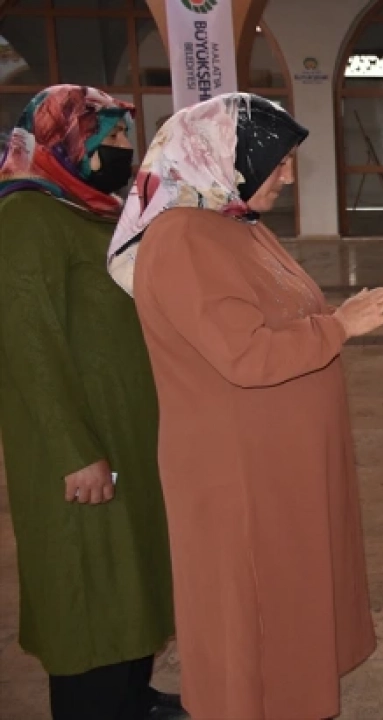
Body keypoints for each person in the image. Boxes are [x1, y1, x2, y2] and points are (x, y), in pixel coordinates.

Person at [106, 93, 383, 719]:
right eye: (280, 161)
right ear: (226, 159)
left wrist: (333, 317)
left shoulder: (233, 221)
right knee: (255, 612)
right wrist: (340, 328)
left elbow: (287, 311)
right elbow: (243, 356)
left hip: (275, 467)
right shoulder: (184, 237)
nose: (289, 175)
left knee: (289, 605)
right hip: (237, 475)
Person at [0, 85, 185, 720]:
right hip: (80, 445)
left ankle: (133, 695)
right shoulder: (24, 218)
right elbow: (26, 347)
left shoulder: (92, 210)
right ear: (64, 142)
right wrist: (74, 451)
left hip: (126, 432)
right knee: (88, 582)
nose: (121, 156)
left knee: (128, 573)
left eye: (125, 144)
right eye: (109, 142)